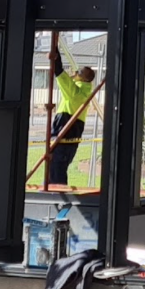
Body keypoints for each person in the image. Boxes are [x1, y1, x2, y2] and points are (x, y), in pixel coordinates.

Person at [47, 53, 97, 188]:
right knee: (53, 170)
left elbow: (60, 74)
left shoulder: (76, 92)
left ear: (81, 77)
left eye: (78, 72)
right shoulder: (81, 91)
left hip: (64, 136)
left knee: (56, 173)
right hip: (67, 136)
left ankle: (58, 199)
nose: (74, 73)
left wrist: (56, 55)